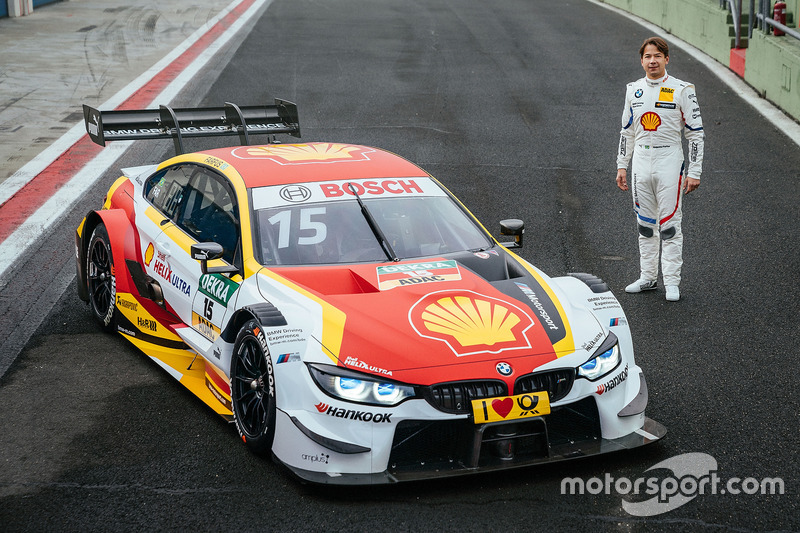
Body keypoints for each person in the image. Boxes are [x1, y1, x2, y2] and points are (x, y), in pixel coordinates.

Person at [615, 36, 704, 302]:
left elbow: (696, 134)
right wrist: (622, 165)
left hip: (670, 162)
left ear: (667, 59)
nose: (652, 61)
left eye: (657, 56)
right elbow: (626, 132)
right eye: (647, 56)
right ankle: (648, 278)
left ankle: (672, 282)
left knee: (670, 226)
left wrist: (695, 171)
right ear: (641, 60)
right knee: (645, 225)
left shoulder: (682, 89)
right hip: (641, 163)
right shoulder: (633, 89)